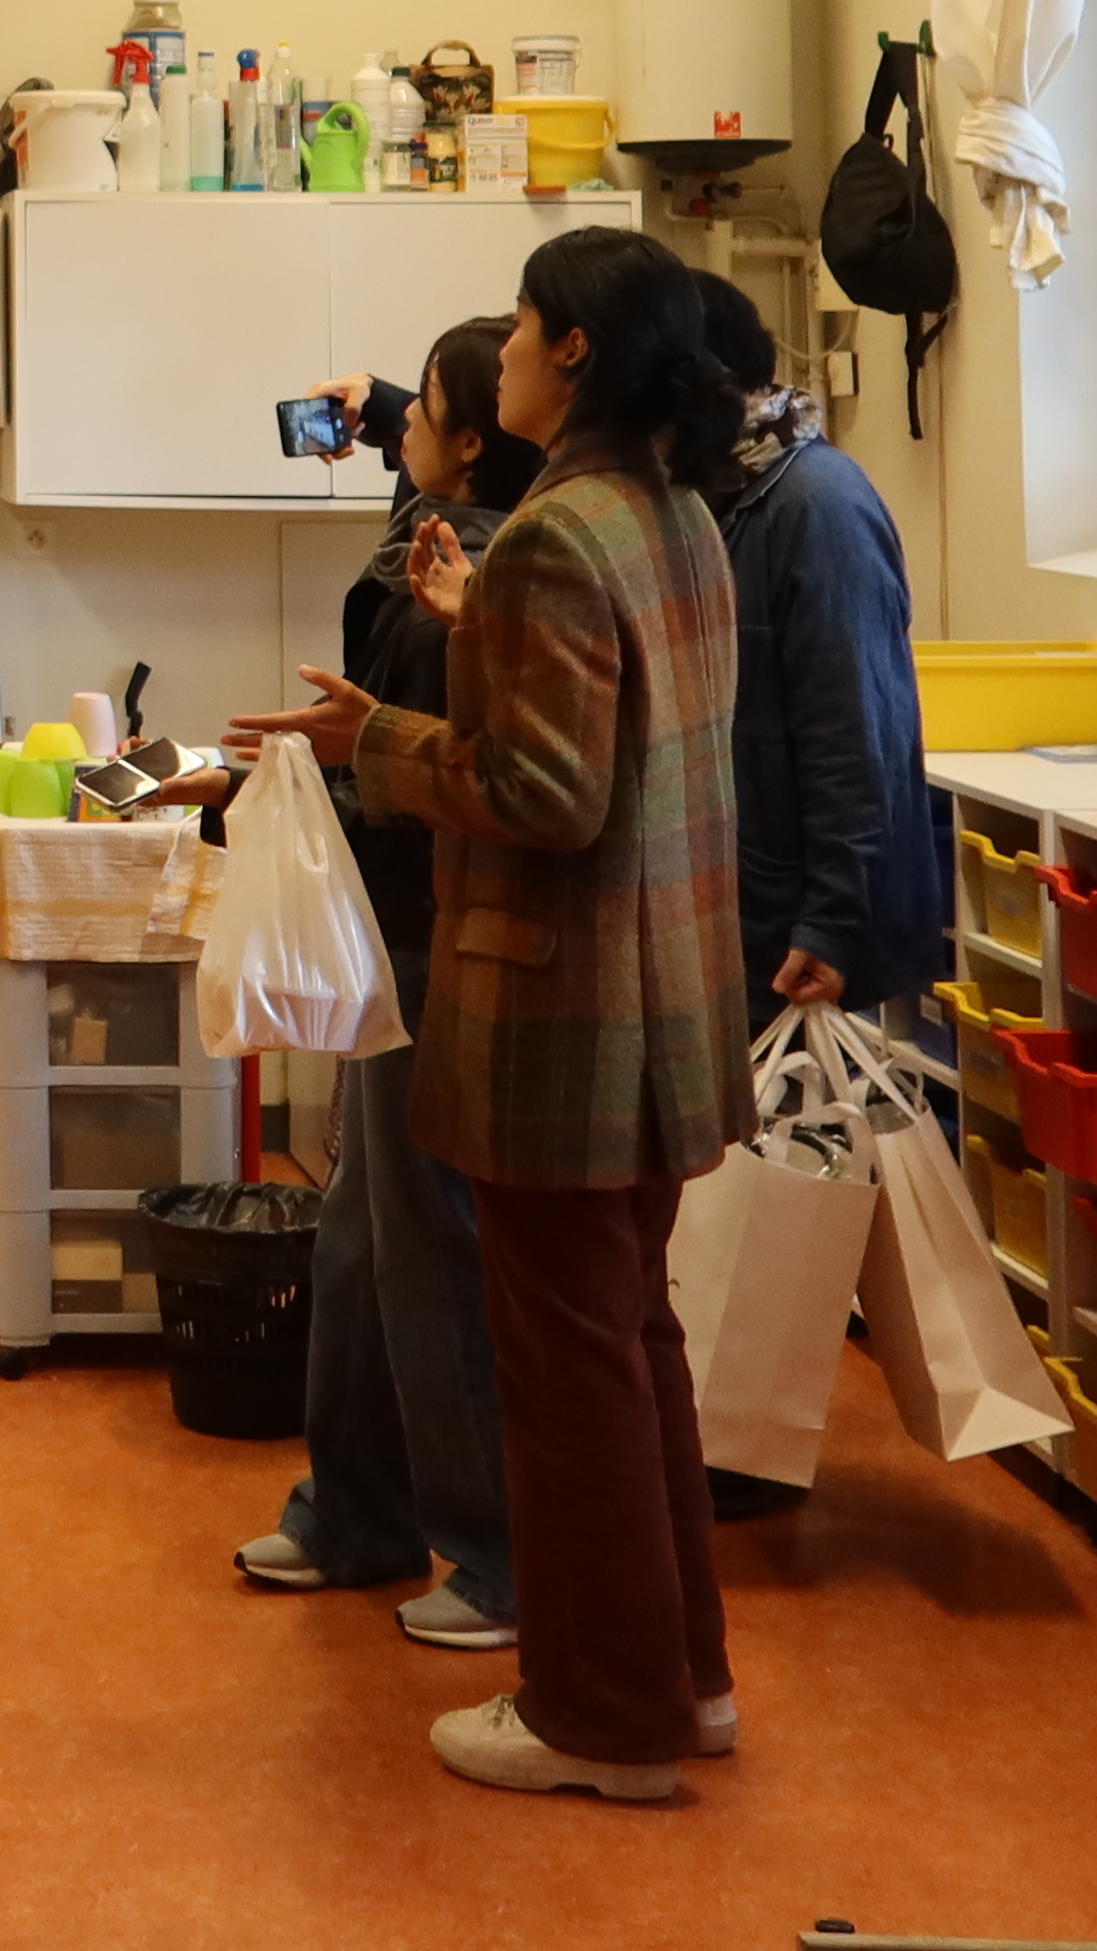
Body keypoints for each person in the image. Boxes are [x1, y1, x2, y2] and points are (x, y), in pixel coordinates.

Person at [243, 223, 746, 1804]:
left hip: (559, 1013)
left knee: (568, 1369)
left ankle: (603, 1715)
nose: (501, 353)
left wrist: (375, 739)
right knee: (635, 1345)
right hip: (666, 1004)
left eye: (522, 331)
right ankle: (686, 1678)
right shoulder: (676, 520)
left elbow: (538, 788)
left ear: (575, 354)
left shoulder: (547, 538)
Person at [221, 322, 546, 1647]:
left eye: (425, 417)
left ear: (473, 441)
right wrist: (385, 413)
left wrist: (247, 803)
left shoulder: (468, 586)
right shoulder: (455, 518)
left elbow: (418, 783)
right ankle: (351, 1510)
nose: (397, 434)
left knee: (428, 1256)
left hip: (424, 938)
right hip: (387, 932)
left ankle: (492, 1558)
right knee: (360, 1243)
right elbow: (437, 458)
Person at [685, 271, 951, 1516]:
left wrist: (834, 922)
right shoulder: (733, 493)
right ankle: (723, 1436)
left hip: (792, 910)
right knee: (737, 1188)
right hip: (740, 895)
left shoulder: (816, 509)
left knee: (774, 1190)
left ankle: (740, 1454)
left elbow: (862, 733)